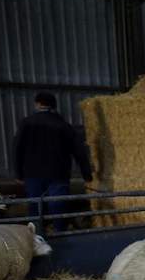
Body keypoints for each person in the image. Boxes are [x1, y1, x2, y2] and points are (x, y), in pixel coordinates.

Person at [13, 92, 92, 232]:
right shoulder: (63, 125)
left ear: (37, 104)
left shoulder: (27, 123)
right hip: (58, 173)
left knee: (35, 206)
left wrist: (18, 173)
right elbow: (79, 150)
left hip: (33, 173)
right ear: (54, 105)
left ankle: (36, 236)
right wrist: (87, 174)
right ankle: (59, 234)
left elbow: (17, 148)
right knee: (58, 205)